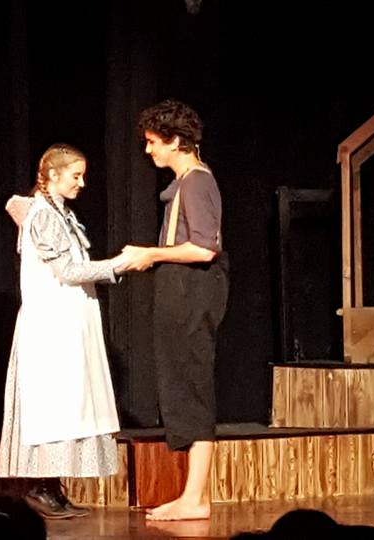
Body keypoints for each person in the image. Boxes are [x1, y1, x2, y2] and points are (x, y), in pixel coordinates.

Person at [0, 143, 132, 520]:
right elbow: (67, 271)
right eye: (76, 176)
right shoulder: (43, 215)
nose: (82, 183)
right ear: (53, 175)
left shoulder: (60, 213)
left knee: (68, 405)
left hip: (68, 322)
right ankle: (38, 487)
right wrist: (118, 265)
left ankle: (51, 486)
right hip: (51, 326)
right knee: (53, 405)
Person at [124, 99, 229, 521]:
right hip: (180, 288)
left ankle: (196, 498)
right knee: (181, 384)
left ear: (175, 141)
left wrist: (150, 253)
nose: (149, 150)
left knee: (193, 384)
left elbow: (204, 248)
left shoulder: (197, 182)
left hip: (193, 290)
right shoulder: (186, 181)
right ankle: (191, 495)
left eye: (153, 142)